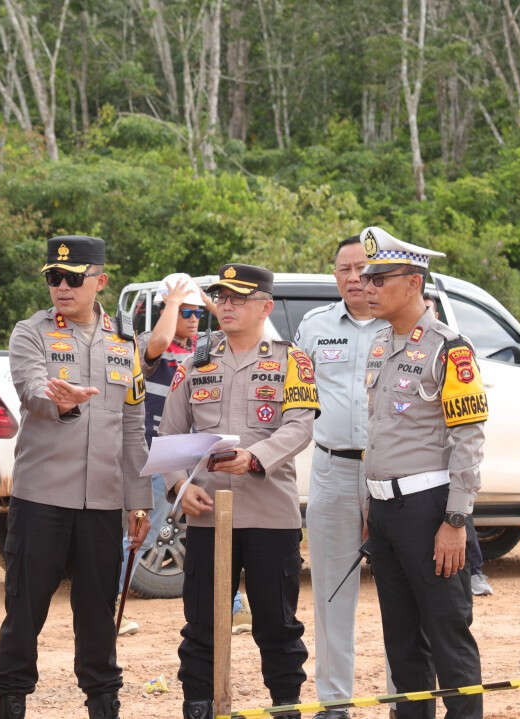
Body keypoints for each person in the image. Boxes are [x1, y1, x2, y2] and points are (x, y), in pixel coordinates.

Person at [0, 235, 151, 719]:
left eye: (73, 278)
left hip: (102, 503)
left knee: (98, 614)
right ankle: (11, 699)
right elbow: (31, 388)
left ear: (100, 281)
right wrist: (56, 400)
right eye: (53, 277)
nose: (61, 286)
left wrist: (138, 501)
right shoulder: (30, 332)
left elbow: (133, 429)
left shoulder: (125, 344)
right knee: (25, 610)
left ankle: (103, 702)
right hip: (42, 500)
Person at [159, 262, 318, 719]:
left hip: (271, 516)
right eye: (221, 298)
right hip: (208, 515)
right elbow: (169, 435)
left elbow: (299, 428)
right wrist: (177, 489)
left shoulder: (292, 360)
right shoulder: (197, 362)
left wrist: (256, 457)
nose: (226, 307)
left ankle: (285, 705)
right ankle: (199, 705)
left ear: (265, 306)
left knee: (277, 624)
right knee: (203, 624)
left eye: (238, 299)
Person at [360, 226, 484, 719]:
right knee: (402, 640)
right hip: (387, 510)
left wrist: (456, 520)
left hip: (430, 508)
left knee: (447, 631)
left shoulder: (448, 348)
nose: (367, 288)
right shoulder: (380, 343)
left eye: (379, 279)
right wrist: (372, 508)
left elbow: (468, 439)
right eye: (366, 279)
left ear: (413, 282)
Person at [293, 238, 388, 717]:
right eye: (344, 269)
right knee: (331, 589)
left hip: (392, 474)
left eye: (363, 269)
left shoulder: (404, 326)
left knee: (399, 591)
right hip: (332, 467)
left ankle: (403, 695)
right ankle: (335, 702)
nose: (354, 278)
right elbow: (293, 396)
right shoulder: (314, 328)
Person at [116, 272, 204, 637]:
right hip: (156, 457)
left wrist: (203, 300)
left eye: (197, 312)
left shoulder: (197, 351)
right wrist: (171, 301)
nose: (194, 319)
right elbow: (162, 337)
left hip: (188, 456)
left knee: (206, 530)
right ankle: (108, 604)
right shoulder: (148, 348)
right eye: (186, 312)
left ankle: (230, 606)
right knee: (142, 536)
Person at [422, 289, 493, 598]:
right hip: (417, 462)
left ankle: (474, 571)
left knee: (459, 514)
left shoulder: (452, 347)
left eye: (428, 308)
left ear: (436, 313)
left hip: (452, 455)